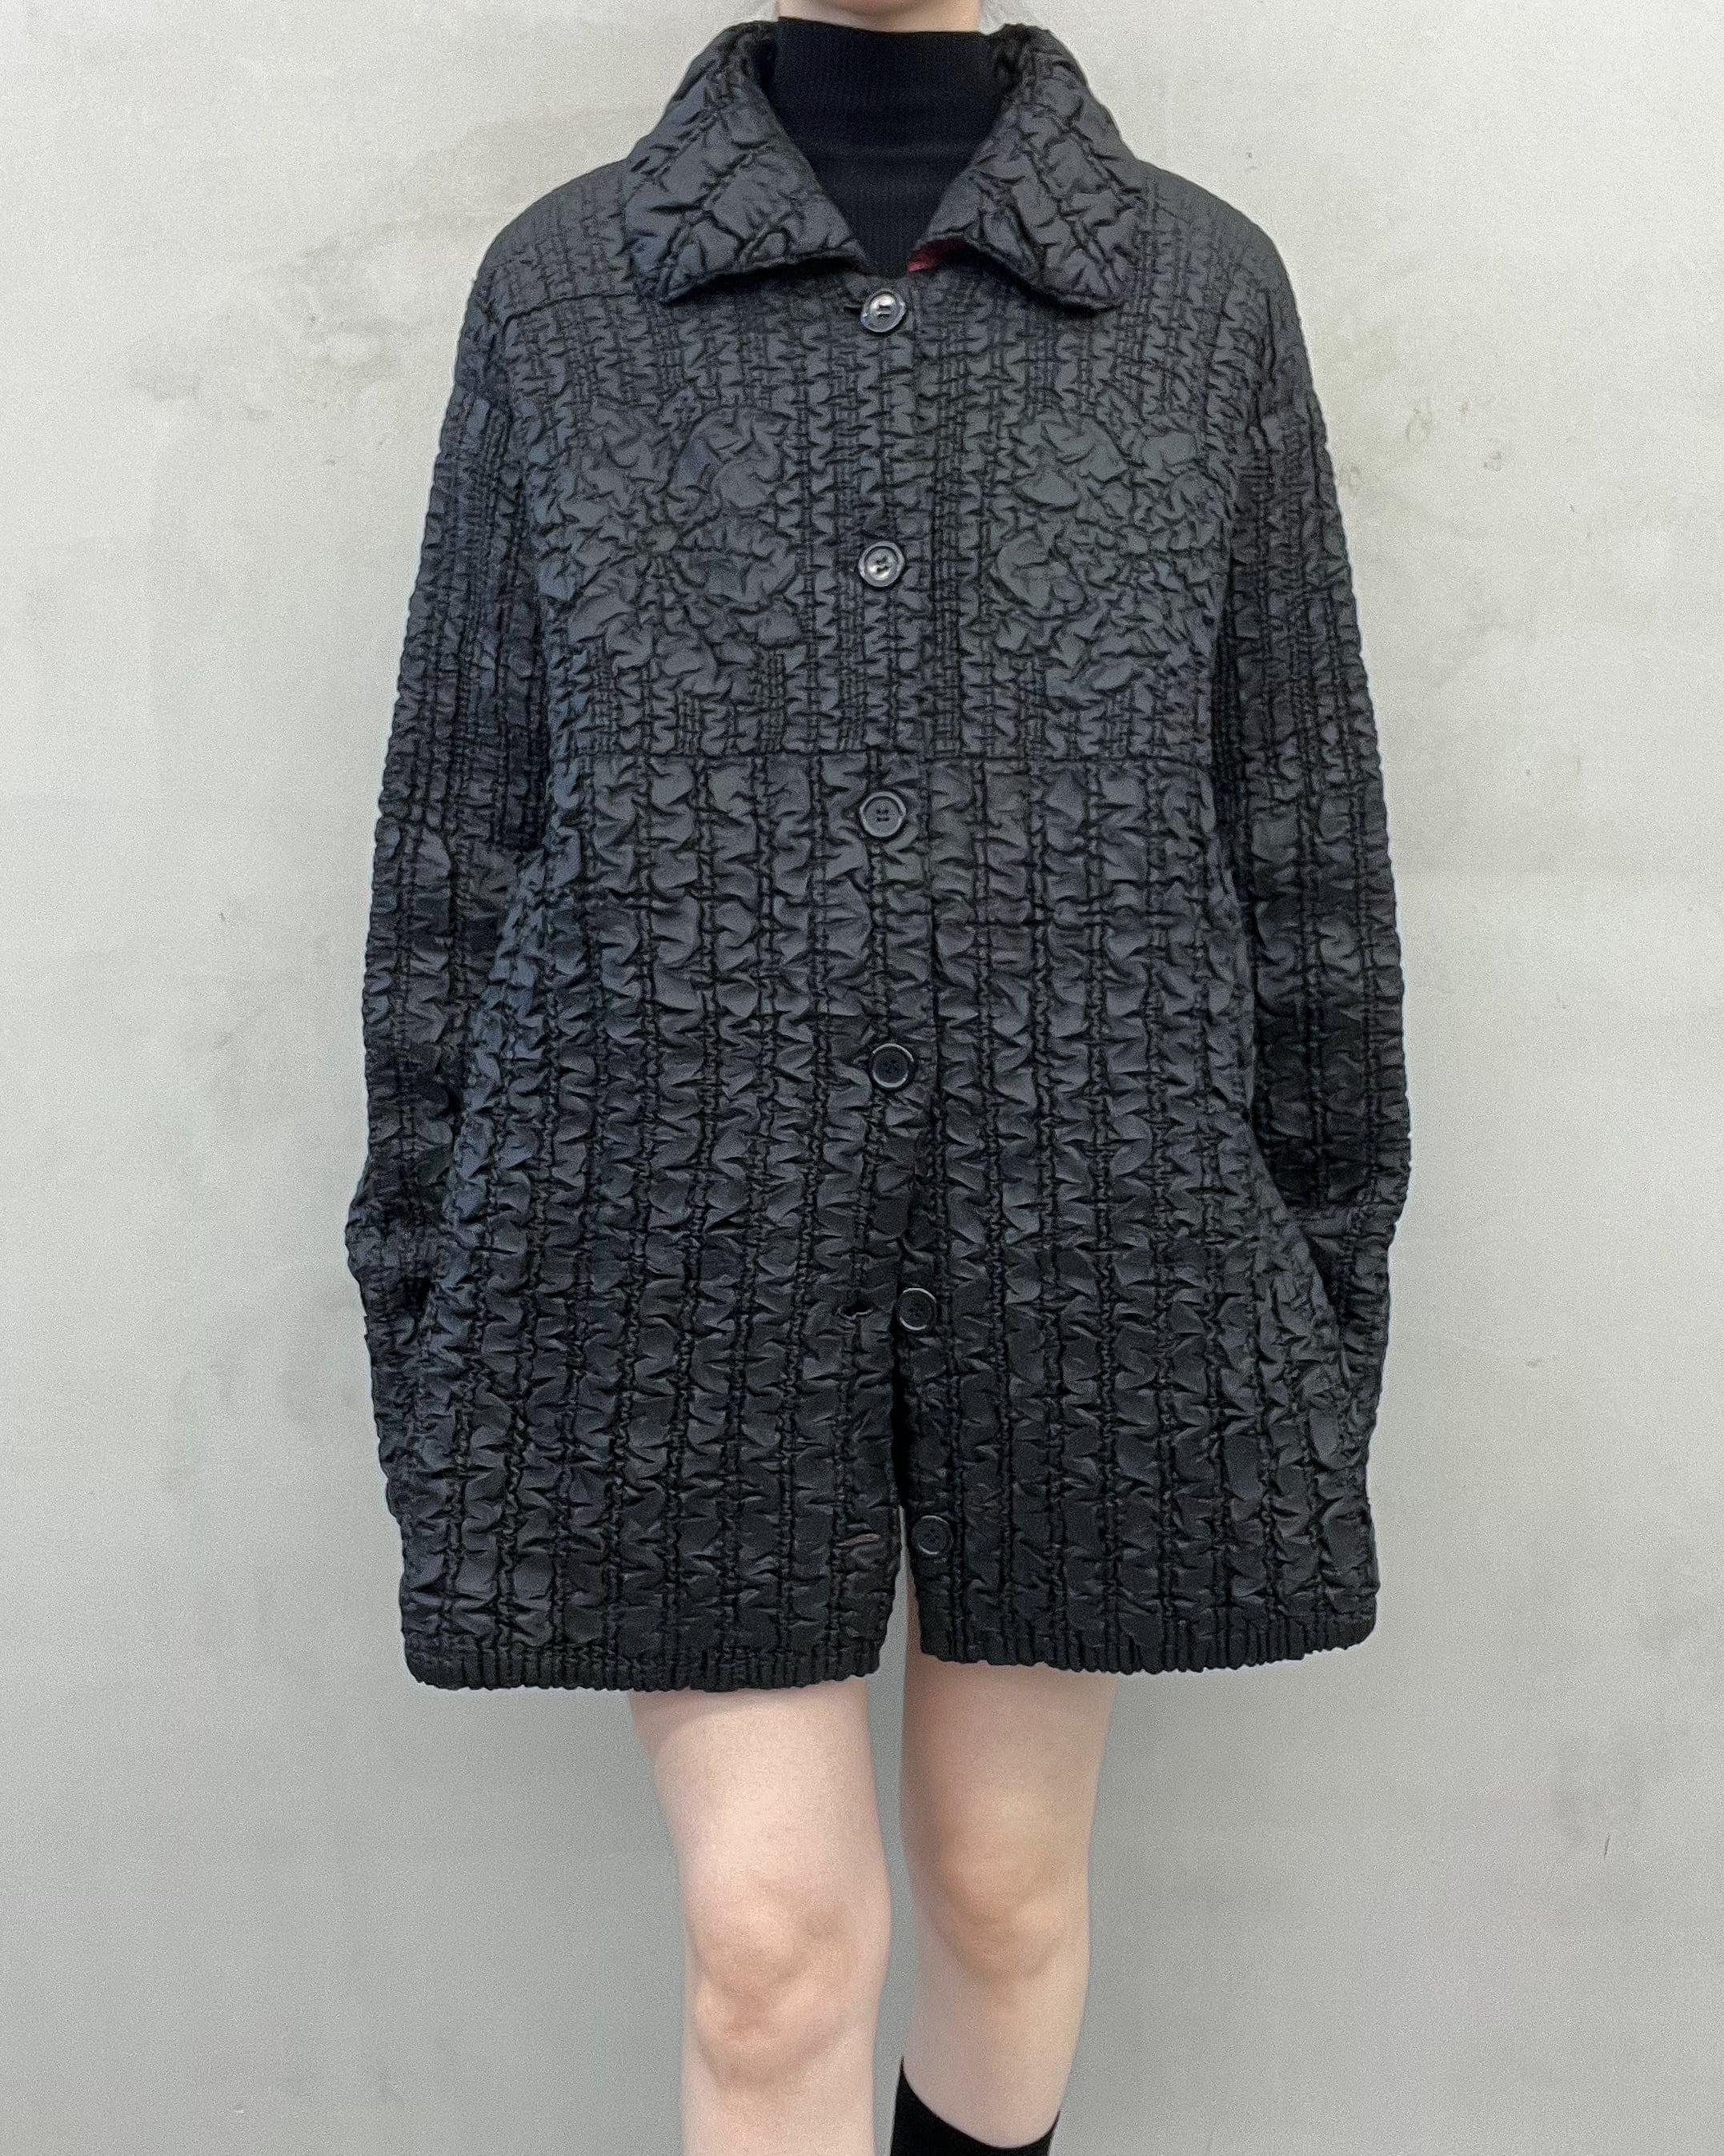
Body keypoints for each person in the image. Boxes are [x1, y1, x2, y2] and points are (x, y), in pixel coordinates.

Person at [343, 1, 1413, 2150]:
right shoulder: (564, 290)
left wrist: (1317, 1282)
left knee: (1005, 1898)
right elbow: (461, 833)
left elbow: (1297, 834)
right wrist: (428, 1291)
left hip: (1096, 1228)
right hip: (660, 1240)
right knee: (772, 1947)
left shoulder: (1201, 290)